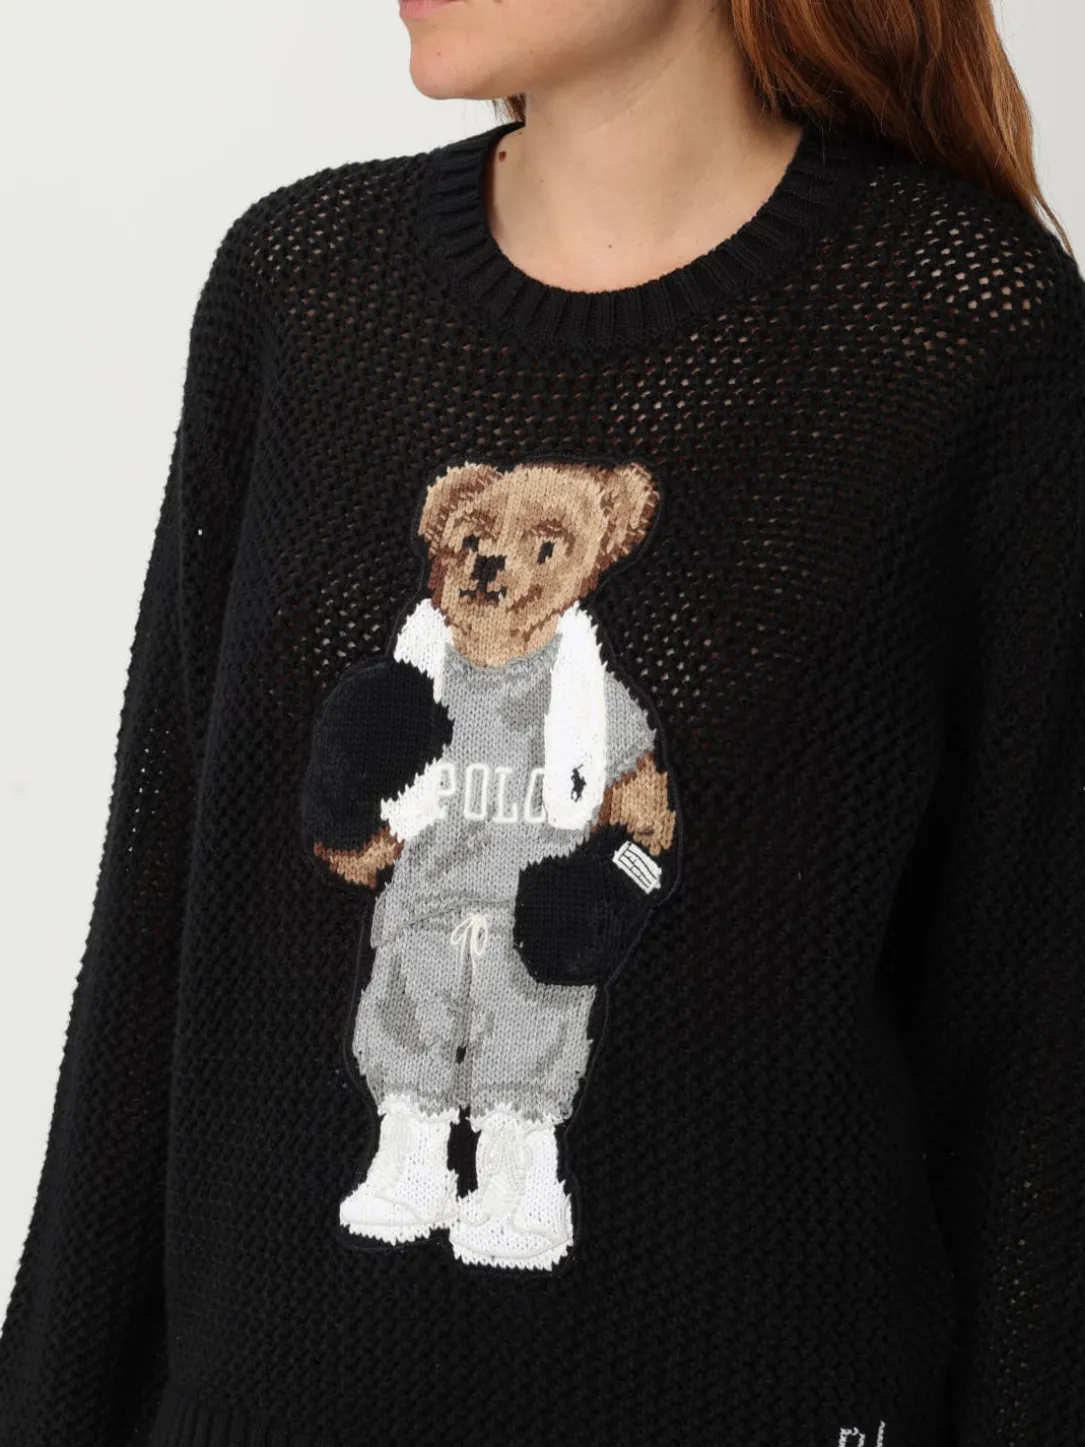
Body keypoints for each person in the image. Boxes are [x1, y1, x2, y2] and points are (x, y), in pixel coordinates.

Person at [1, 0, 1082, 1442]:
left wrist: (618, 869)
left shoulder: (960, 328)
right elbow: (159, 932)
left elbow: (1035, 1041)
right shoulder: (303, 289)